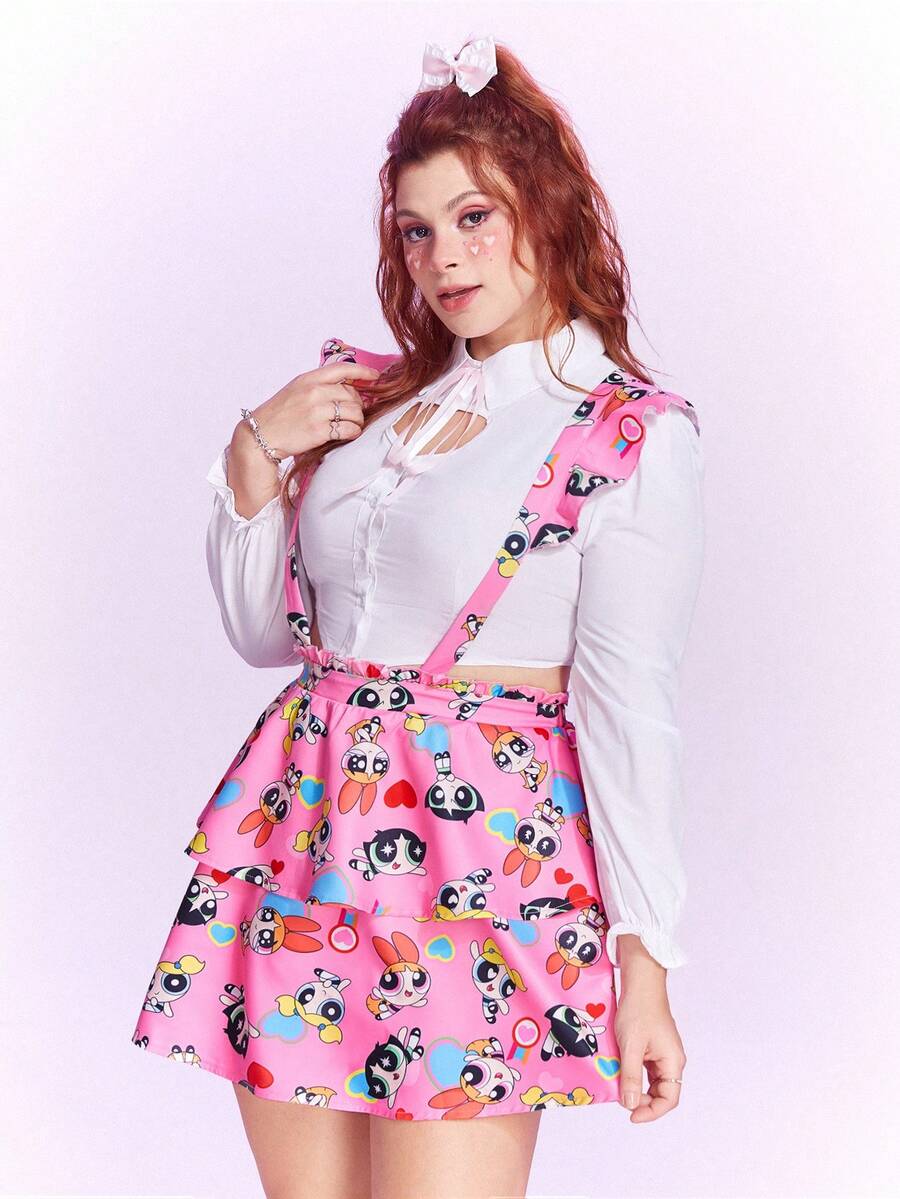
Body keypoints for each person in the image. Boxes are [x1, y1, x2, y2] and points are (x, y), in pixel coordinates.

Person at [131, 35, 705, 1199]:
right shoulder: (376, 403)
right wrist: (255, 455)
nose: (445, 257)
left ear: (548, 207)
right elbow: (270, 638)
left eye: (475, 216)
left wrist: (646, 960)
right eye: (416, 229)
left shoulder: (624, 432)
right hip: (303, 839)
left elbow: (629, 707)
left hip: (479, 863)